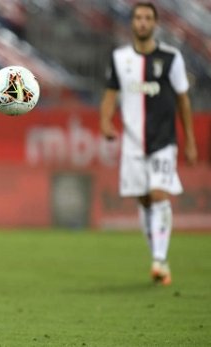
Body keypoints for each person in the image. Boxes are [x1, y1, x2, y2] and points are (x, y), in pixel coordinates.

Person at [99, 2, 197, 286]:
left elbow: (183, 99)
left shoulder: (171, 57)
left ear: (155, 23)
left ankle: (160, 260)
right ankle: (158, 257)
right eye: (138, 17)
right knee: (143, 200)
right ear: (132, 23)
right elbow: (109, 95)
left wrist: (189, 141)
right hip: (132, 143)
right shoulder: (120, 59)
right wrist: (105, 122)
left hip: (163, 140)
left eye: (147, 18)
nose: (142, 22)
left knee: (158, 195)